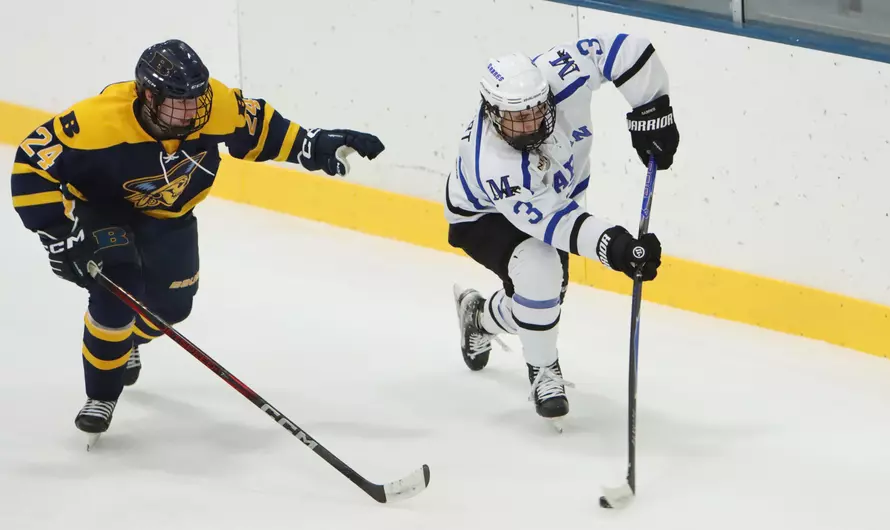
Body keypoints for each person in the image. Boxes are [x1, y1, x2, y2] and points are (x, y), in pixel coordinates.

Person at [9, 39, 385, 444]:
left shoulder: (213, 106)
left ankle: (127, 341)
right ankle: (101, 394)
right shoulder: (95, 122)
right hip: (103, 211)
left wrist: (312, 145)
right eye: (179, 101)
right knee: (119, 292)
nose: (194, 111)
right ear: (148, 96)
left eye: (197, 99)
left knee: (172, 307)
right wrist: (58, 234)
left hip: (169, 216)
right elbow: (31, 165)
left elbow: (259, 129)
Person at [445, 33, 680, 427]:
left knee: (543, 301)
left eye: (536, 109)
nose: (531, 122)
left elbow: (627, 51)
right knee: (540, 273)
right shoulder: (496, 165)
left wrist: (650, 110)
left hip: (552, 194)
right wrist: (617, 247)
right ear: (492, 111)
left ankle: (479, 319)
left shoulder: (560, 70)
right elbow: (555, 221)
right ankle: (543, 370)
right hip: (484, 216)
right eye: (517, 118)